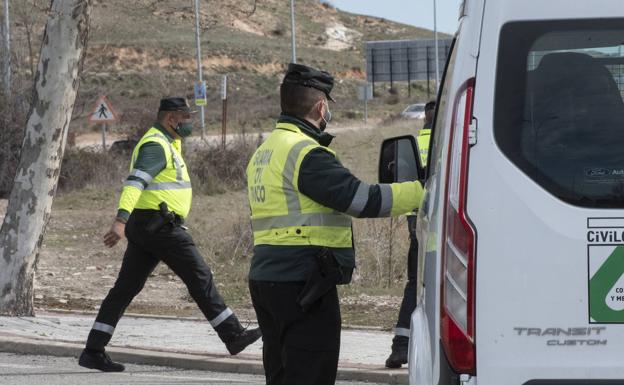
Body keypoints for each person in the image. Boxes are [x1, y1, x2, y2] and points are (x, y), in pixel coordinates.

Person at [246, 63, 425, 385]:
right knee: (312, 373)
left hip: (268, 277)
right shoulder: (306, 153)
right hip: (302, 282)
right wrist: (426, 191)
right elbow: (362, 200)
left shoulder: (266, 150)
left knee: (282, 374)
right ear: (321, 106)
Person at [78, 97, 262, 372]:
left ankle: (93, 349)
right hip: (160, 226)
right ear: (170, 119)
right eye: (185, 117)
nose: (189, 122)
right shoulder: (155, 145)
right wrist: (120, 221)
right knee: (200, 276)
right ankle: (233, 335)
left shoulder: (169, 142)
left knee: (125, 289)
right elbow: (135, 183)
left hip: (150, 226)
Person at [385, 100, 435, 369]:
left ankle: (401, 346)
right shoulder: (452, 142)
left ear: (424, 119)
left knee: (415, 284)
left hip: (417, 225)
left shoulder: (412, 147)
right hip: (447, 228)